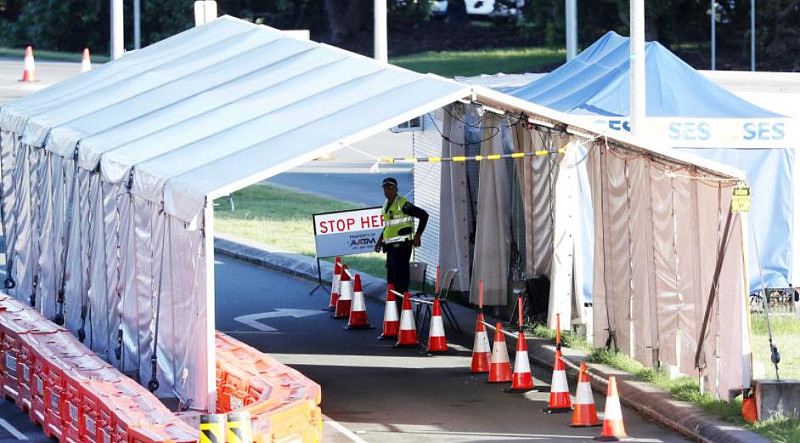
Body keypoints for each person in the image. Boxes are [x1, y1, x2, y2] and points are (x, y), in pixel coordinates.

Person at [374, 177, 428, 294]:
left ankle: (401, 308)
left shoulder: (402, 203)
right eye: (385, 188)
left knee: (400, 281)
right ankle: (393, 309)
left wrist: (418, 235)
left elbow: (424, 215)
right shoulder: (386, 205)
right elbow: (388, 226)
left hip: (402, 247)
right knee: (391, 281)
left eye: (390, 187)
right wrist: (380, 240)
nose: (387, 190)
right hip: (390, 248)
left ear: (396, 189)